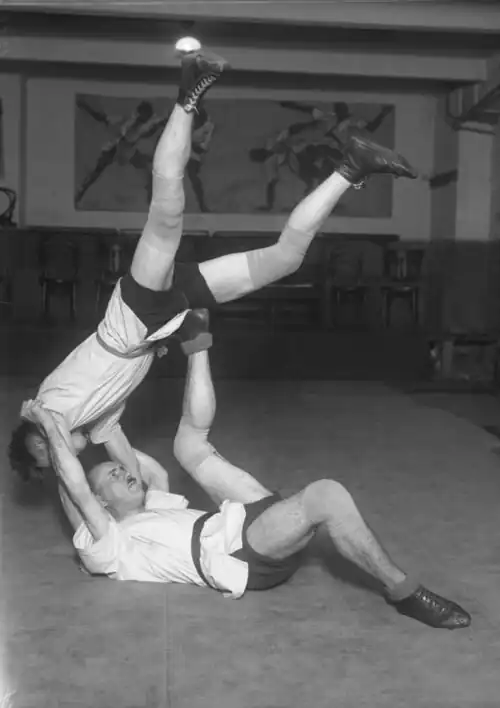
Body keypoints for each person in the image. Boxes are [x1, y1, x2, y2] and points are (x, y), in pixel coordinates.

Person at [9, 43, 418, 485]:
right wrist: (148, 495)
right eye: (49, 460)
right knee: (283, 260)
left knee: (167, 216)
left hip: (132, 316)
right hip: (161, 322)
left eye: (44, 452)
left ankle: (188, 94)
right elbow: (122, 453)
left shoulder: (50, 408)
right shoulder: (96, 420)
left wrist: (41, 421)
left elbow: (63, 456)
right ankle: (352, 166)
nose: (57, 455)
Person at [25, 336, 471, 631]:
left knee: (188, 446)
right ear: (101, 504)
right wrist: (49, 425)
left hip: (243, 521)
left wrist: (101, 419)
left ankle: (198, 342)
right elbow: (75, 490)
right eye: (112, 478)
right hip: (240, 556)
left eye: (119, 471)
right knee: (326, 495)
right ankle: (405, 592)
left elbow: (123, 449)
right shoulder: (112, 543)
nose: (124, 473)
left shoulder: (153, 503)